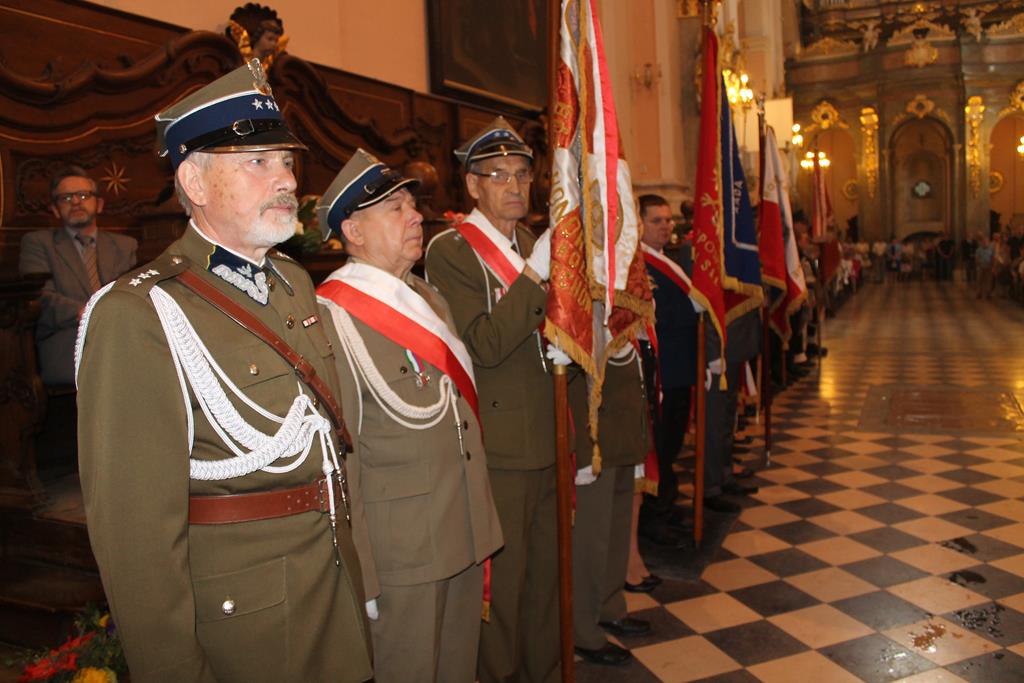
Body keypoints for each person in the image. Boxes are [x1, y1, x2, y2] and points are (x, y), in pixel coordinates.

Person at [75, 61, 372, 682]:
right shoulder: (139, 312)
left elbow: (328, 456)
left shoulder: (292, 282)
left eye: (286, 162)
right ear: (195, 181)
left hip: (330, 582)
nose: (286, 179)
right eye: (257, 162)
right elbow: (136, 540)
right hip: (248, 622)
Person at [315, 150, 503, 683]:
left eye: (412, 206)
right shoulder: (333, 317)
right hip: (403, 555)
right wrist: (363, 573)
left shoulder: (428, 298)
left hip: (464, 528)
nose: (416, 216)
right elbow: (341, 460)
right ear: (353, 230)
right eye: (395, 208)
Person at [424, 117, 559, 683]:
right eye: (499, 175)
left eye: (522, 174)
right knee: (504, 586)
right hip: (500, 442)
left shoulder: (531, 243)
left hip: (550, 431)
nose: (514, 185)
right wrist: (536, 276)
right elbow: (482, 343)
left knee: (547, 580)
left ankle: (544, 672)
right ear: (472, 185)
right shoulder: (452, 250)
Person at [19, 166, 137, 386]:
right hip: (68, 342)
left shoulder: (125, 246)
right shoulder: (38, 243)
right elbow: (41, 297)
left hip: (121, 336)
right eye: (66, 198)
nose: (75, 202)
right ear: (55, 209)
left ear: (99, 204)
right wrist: (88, 311)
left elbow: (133, 294)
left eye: (83, 195)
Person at [636, 194, 699, 545]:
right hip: (661, 372)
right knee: (659, 444)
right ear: (640, 224)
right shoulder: (639, 266)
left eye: (668, 220)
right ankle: (653, 516)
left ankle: (667, 500)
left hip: (680, 367)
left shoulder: (667, 261)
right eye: (657, 221)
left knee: (672, 441)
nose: (666, 226)